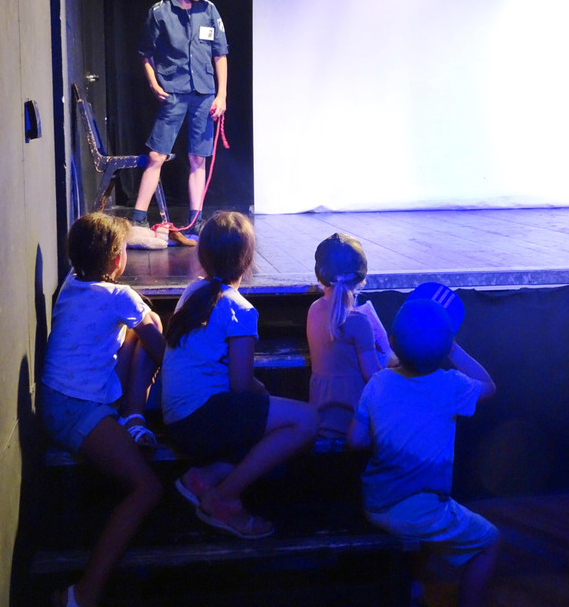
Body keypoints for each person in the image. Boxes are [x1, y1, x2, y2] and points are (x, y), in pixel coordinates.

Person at [162, 211, 318, 538]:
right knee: (306, 420)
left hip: (177, 420)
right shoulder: (239, 309)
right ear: (248, 261)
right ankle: (223, 498)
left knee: (268, 416)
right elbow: (241, 384)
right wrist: (264, 393)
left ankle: (204, 477)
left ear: (202, 256)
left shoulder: (192, 292)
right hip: (201, 421)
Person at [41, 212, 166, 607]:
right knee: (147, 488)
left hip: (56, 399)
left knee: (139, 323)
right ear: (117, 259)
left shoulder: (71, 283)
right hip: (77, 408)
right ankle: (82, 593)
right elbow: (159, 348)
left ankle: (131, 417)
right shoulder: (118, 297)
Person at [348, 285, 500, 607]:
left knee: (427, 518)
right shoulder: (452, 385)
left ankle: (415, 588)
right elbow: (489, 386)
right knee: (489, 541)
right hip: (421, 511)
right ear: (446, 348)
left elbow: (355, 440)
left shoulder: (377, 382)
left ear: (391, 341)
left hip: (377, 504)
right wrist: (452, 348)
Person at [131, 0, 229, 234]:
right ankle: (137, 218)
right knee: (156, 155)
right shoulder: (160, 13)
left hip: (204, 94)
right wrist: (153, 83)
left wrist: (221, 94)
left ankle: (195, 220)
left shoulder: (209, 11)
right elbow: (145, 53)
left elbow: (220, 54)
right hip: (173, 92)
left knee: (198, 158)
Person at [307, 232, 396, 439]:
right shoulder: (359, 321)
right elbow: (371, 376)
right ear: (360, 279)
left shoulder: (313, 309)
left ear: (320, 276)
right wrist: (393, 365)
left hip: (321, 410)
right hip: (351, 416)